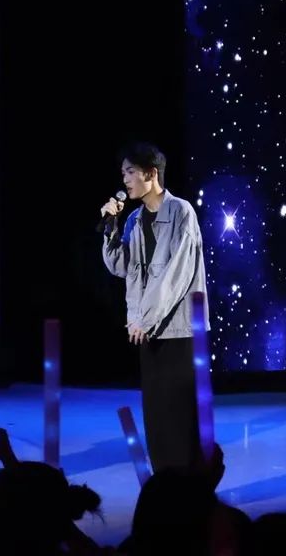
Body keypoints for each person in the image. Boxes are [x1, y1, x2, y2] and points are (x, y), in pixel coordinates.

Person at [100, 142, 210, 471]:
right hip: (146, 330)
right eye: (123, 173)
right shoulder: (134, 219)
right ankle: (164, 482)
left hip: (178, 329)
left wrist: (144, 319)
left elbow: (176, 274)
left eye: (130, 172)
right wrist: (110, 228)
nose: (125, 180)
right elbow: (121, 266)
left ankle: (188, 486)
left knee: (180, 415)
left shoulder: (181, 212)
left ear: (151, 173)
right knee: (157, 415)